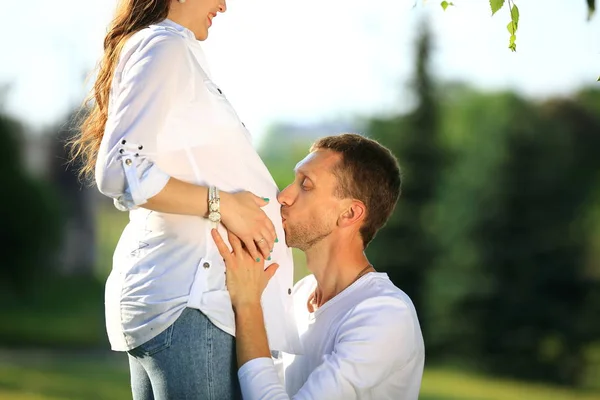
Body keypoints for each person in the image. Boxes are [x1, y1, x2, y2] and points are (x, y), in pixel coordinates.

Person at [69, 0, 301, 399]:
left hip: (184, 298)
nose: (224, 6)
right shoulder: (165, 46)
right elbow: (120, 168)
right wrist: (224, 205)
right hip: (192, 300)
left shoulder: (173, 48)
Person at [212, 133, 425, 399]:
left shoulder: (385, 314)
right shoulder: (301, 295)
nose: (284, 197)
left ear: (349, 214)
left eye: (306, 185)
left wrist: (247, 305)